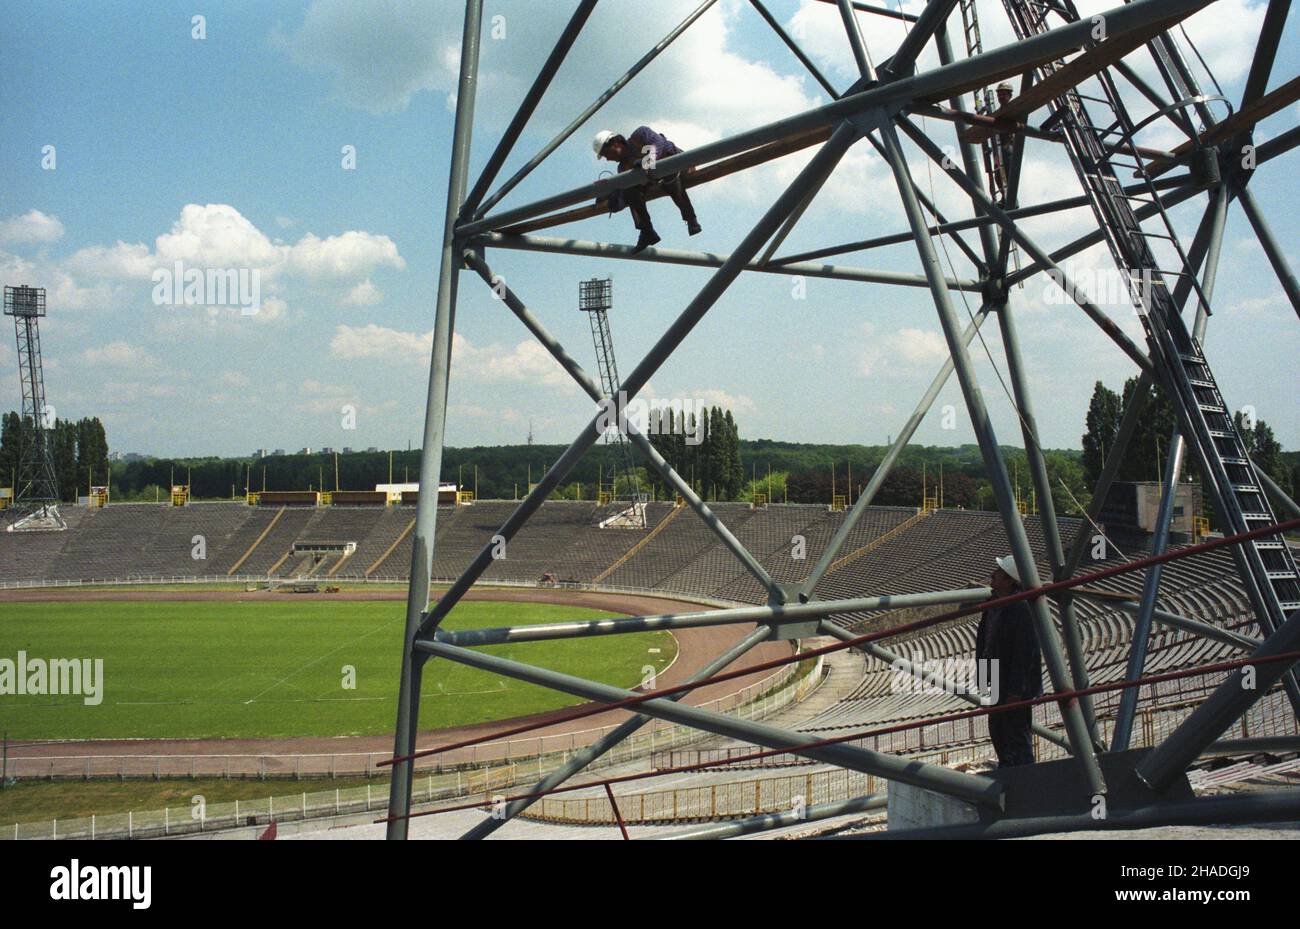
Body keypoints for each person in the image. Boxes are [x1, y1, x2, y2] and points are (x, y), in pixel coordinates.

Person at [975, 554, 1043, 768]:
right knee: (997, 728)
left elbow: (1024, 652)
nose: (993, 574)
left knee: (1016, 732)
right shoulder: (994, 604)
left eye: (998, 573)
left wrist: (1016, 691)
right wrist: (983, 678)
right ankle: (1008, 768)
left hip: (1012, 682)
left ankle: (1024, 774)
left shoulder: (1021, 608)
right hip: (996, 674)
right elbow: (985, 641)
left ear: (1009, 580)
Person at [593, 127, 701, 254]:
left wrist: (648, 160)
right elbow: (628, 195)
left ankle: (691, 219)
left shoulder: (640, 136)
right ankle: (647, 231)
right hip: (656, 180)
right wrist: (613, 200)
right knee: (629, 189)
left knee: (667, 173)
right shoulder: (623, 168)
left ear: (615, 144)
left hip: (679, 165)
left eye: (606, 154)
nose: (607, 159)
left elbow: (658, 143)